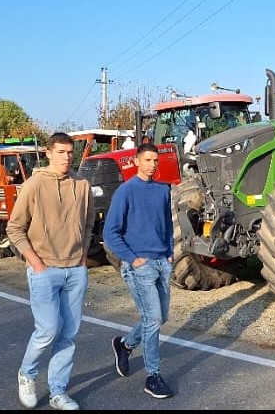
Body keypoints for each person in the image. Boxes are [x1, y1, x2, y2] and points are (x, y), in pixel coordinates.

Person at [6, 132, 94, 411]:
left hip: (75, 270)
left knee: (68, 334)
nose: (67, 157)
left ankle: (58, 391)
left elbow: (89, 223)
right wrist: (36, 263)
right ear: (48, 153)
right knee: (47, 330)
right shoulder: (34, 185)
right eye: (61, 152)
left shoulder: (82, 185)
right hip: (45, 269)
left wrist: (82, 257)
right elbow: (14, 229)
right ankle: (27, 374)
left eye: (70, 152)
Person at [104, 143, 176, 400]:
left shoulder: (162, 190)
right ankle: (153, 376)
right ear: (136, 162)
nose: (152, 165)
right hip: (140, 266)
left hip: (162, 263)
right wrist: (134, 260)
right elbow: (110, 233)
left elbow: (167, 225)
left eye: (155, 160)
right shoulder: (125, 192)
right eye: (147, 160)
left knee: (160, 317)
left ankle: (124, 345)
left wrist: (170, 253)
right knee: (153, 318)